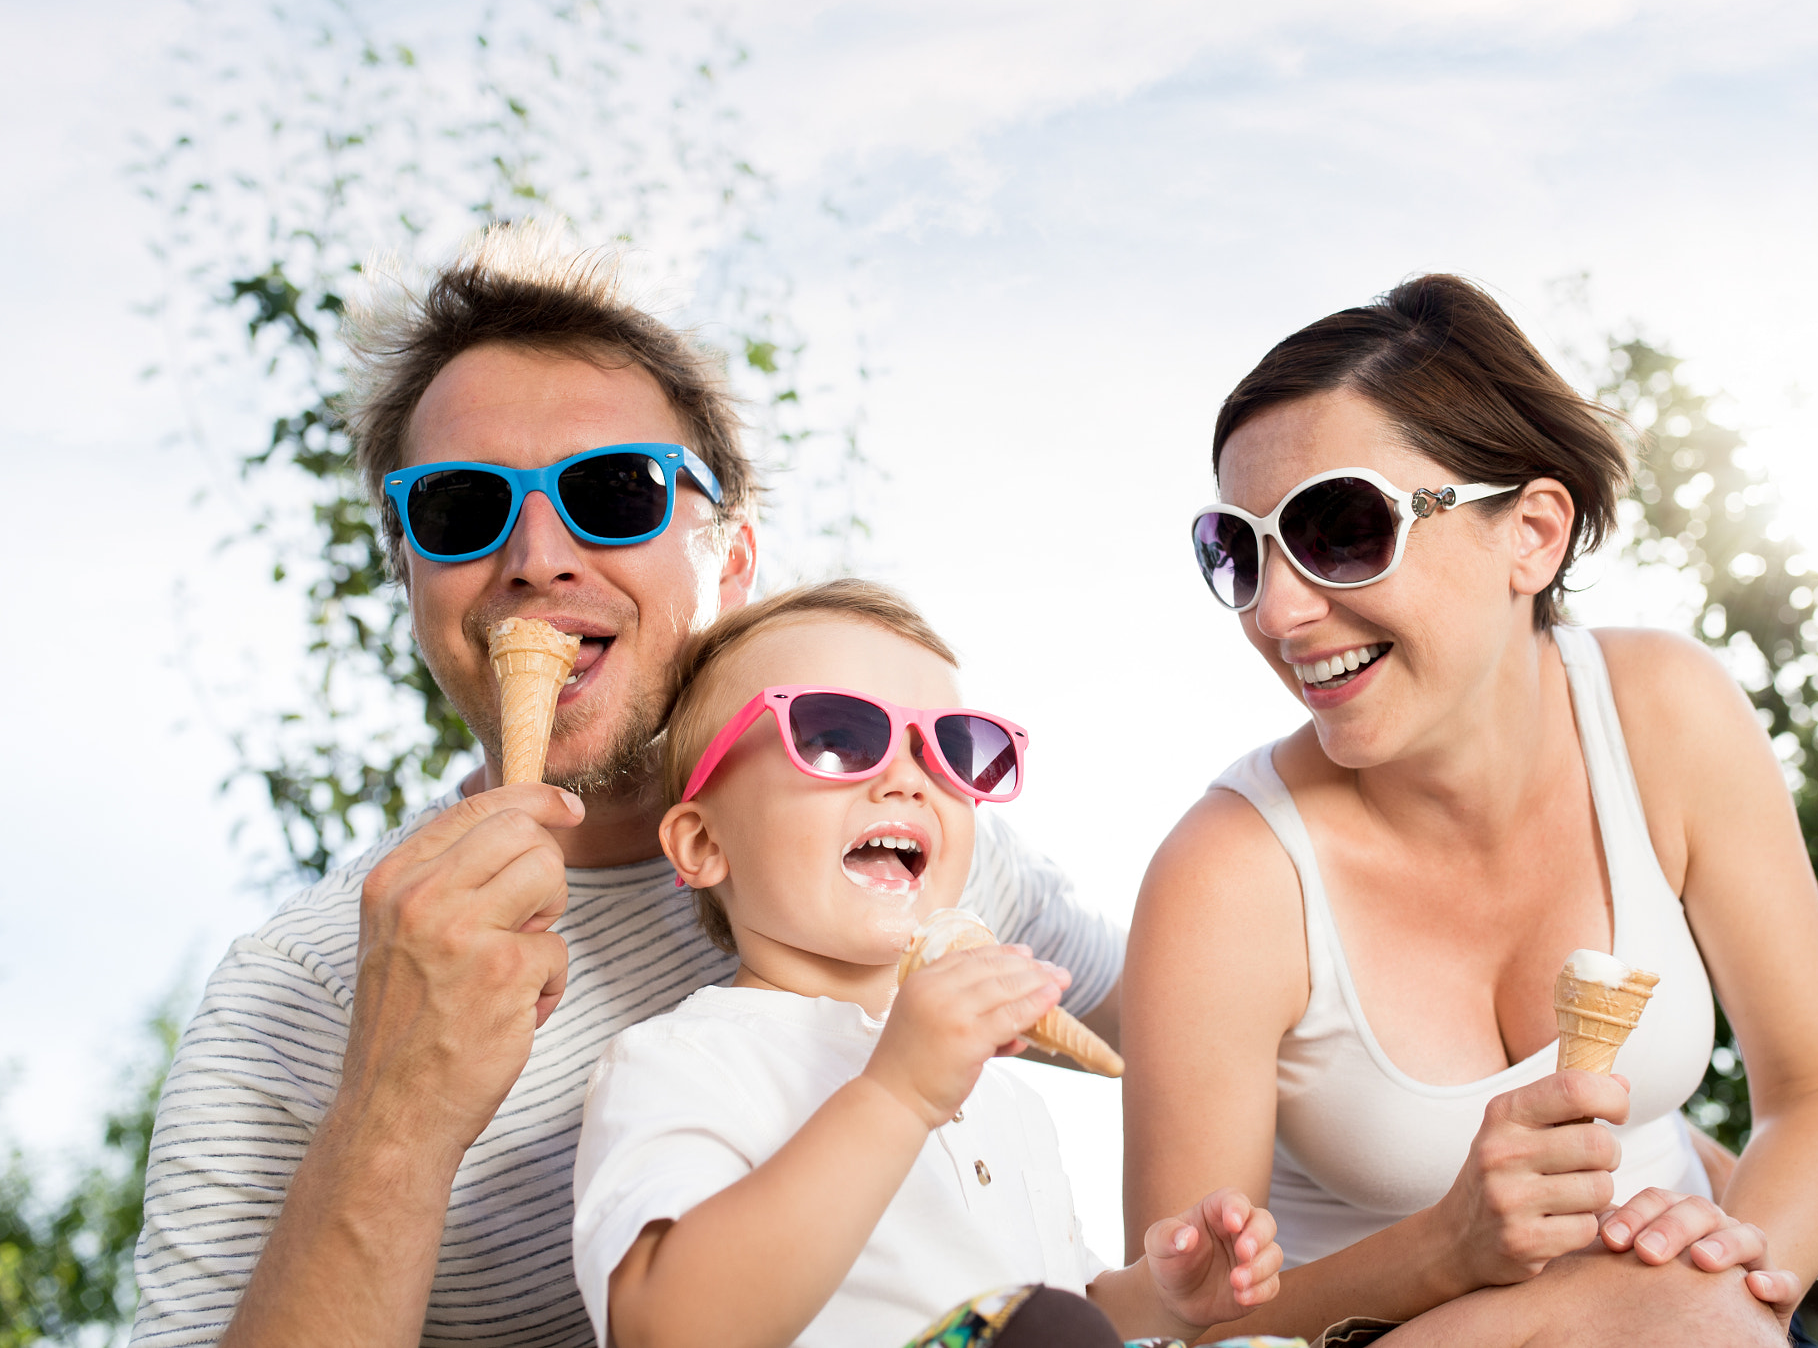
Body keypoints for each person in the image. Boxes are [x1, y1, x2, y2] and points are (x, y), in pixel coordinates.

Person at [131, 226, 1125, 1348]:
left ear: (733, 564)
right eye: (461, 509)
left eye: (615, 492)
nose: (538, 556)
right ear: (409, 574)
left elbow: (1222, 1027)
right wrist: (395, 1105)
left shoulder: (906, 852)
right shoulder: (295, 993)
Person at [1120, 276, 1818, 1345]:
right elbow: (1177, 1324)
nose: (1277, 610)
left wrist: (1717, 1280)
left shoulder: (1661, 711)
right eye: (1237, 550)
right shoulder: (1226, 875)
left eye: (1338, 528)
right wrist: (1441, 1249)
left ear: (1530, 533)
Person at [572, 579, 1285, 1347]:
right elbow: (662, 1327)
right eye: (835, 735)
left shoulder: (1009, 1103)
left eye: (953, 747)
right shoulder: (686, 1062)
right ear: (704, 843)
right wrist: (898, 1093)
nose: (910, 777)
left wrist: (1161, 1297)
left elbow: (1052, 1309)